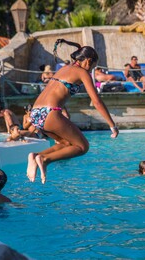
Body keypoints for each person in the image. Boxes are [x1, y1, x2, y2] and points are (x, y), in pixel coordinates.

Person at [27, 38, 119, 184]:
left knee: (67, 144)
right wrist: (112, 125)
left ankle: (36, 156)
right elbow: (96, 101)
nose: (91, 70)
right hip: (50, 113)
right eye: (92, 66)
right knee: (82, 147)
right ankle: (44, 159)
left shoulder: (63, 69)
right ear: (88, 61)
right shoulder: (82, 73)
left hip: (35, 113)